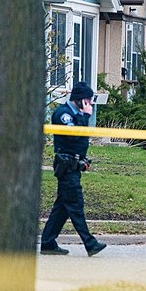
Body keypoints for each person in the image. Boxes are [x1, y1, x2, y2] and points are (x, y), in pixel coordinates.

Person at [40, 82, 107, 257]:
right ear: (79, 99)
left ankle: (47, 242)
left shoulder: (75, 115)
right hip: (66, 167)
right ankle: (90, 243)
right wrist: (85, 116)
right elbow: (74, 135)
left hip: (74, 166)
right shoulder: (63, 114)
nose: (90, 104)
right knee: (75, 205)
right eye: (88, 100)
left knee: (62, 207)